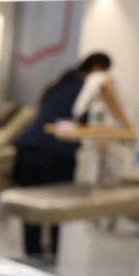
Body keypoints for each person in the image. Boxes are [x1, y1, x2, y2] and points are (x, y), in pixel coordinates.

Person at [12, 52, 113, 260]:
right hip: (54, 150)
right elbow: (85, 121)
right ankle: (57, 255)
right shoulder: (85, 90)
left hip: (28, 146)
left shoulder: (60, 84)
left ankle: (33, 255)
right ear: (97, 69)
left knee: (30, 205)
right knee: (58, 205)